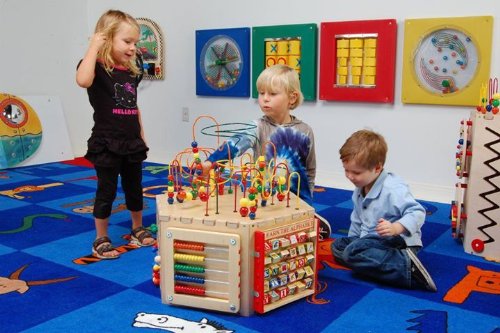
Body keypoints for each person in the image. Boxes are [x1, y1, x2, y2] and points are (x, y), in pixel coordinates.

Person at [201, 64, 331, 239]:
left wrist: (308, 202)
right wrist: (212, 160)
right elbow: (235, 143)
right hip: (265, 197)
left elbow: (310, 168)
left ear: (292, 98)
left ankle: (310, 218)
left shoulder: (305, 130)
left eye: (272, 94)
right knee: (267, 236)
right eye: (262, 93)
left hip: (297, 198)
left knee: (298, 238)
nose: (265, 99)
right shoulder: (257, 127)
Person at [76, 9, 154, 259]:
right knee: (106, 190)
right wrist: (93, 47)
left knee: (135, 187)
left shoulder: (131, 71)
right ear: (107, 39)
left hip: (131, 141)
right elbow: (82, 80)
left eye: (135, 42)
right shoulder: (95, 68)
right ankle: (100, 237)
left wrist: (140, 134)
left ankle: (136, 227)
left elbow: (133, 105)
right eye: (127, 41)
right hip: (107, 141)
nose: (133, 48)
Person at [331, 129, 436, 291]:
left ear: (377, 168)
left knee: (351, 253)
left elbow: (417, 212)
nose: (350, 176)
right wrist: (354, 241)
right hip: (369, 241)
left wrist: (396, 228)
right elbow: (357, 219)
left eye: (356, 172)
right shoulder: (361, 187)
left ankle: (406, 267)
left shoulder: (393, 189)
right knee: (338, 246)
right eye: (346, 170)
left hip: (398, 242)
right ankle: (370, 262)